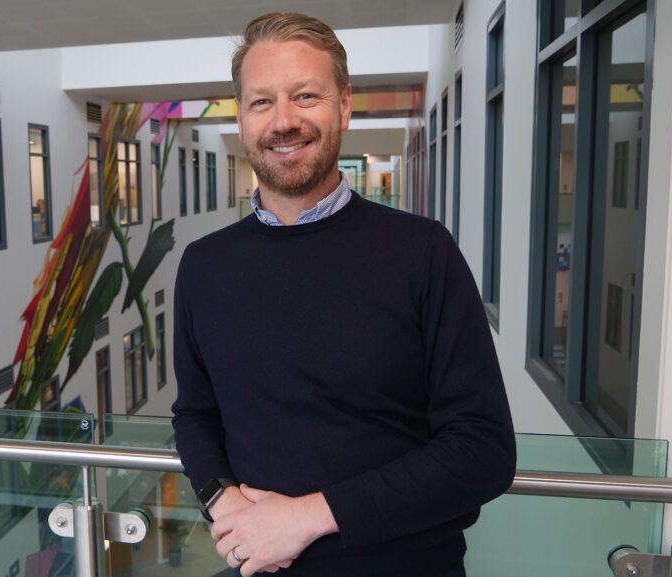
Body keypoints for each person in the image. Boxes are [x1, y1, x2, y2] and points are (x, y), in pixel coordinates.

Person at [171, 12, 516, 577]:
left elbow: (484, 450)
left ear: (345, 106)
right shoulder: (203, 266)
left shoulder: (422, 251)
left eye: (305, 96)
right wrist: (222, 501)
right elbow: (194, 415)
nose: (284, 121)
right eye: (261, 102)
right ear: (242, 118)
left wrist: (305, 518)